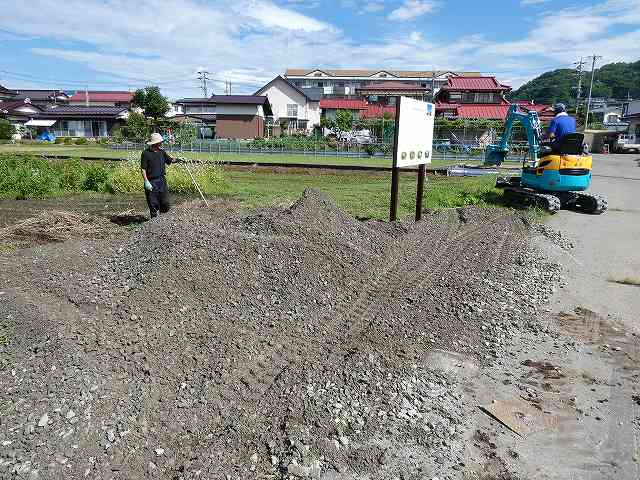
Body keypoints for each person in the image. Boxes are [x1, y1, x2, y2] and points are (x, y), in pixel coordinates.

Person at [140, 132, 178, 219]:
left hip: (161, 180)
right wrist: (146, 181)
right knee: (153, 203)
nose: (161, 143)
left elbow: (170, 160)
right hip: (151, 181)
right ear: (155, 143)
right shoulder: (146, 153)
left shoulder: (161, 152)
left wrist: (179, 160)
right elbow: (143, 169)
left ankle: (163, 221)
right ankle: (154, 222)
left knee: (164, 202)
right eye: (160, 142)